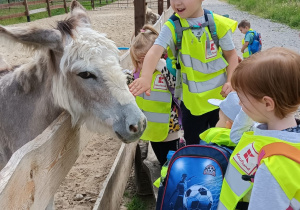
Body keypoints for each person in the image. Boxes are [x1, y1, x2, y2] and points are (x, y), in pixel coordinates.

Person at [129, 0, 239, 145]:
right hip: (191, 103)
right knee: (193, 143)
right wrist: (146, 77)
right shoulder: (172, 26)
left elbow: (232, 56)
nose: (177, 3)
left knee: (222, 142)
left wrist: (230, 81)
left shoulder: (217, 24)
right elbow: (154, 52)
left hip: (220, 101)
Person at [218, 47, 300, 210]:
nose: (240, 104)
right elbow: (237, 136)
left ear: (268, 103)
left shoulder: (272, 167)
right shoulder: (269, 131)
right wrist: (250, 106)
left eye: (242, 98)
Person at [129, 24, 183, 166]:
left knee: (171, 162)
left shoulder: (165, 70)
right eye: (139, 61)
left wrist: (162, 68)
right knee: (160, 159)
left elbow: (176, 85)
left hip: (169, 127)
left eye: (145, 60)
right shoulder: (137, 73)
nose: (142, 65)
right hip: (151, 127)